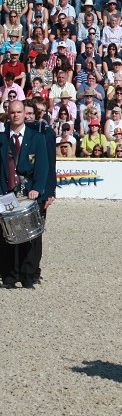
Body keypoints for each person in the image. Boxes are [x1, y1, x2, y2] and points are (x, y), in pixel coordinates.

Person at [0, 100, 51, 289]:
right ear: (8, 114)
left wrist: (37, 188)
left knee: (29, 237)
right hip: (6, 194)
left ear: (24, 113)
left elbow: (43, 166)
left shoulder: (37, 138)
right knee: (7, 236)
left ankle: (28, 276)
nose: (16, 115)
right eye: (12, 112)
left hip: (28, 192)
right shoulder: (2, 139)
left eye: (19, 112)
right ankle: (9, 276)